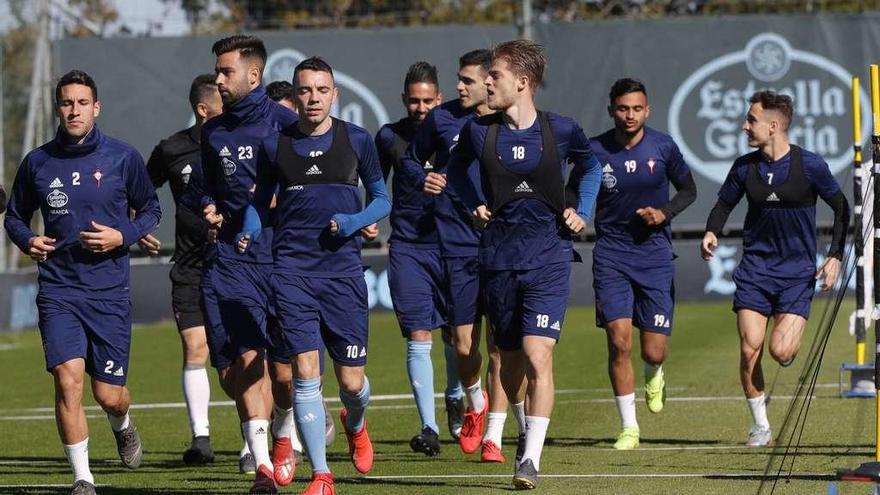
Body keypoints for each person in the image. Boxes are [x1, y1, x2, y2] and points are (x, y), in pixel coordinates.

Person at [443, 40, 601, 489]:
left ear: (522, 82)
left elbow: (589, 170)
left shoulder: (562, 130)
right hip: (498, 260)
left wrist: (582, 209)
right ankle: (520, 427)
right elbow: (455, 173)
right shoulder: (479, 132)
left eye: (494, 75)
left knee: (538, 354)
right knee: (508, 369)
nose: (486, 81)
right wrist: (473, 201)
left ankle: (530, 459)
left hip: (549, 256)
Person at [4, 69, 161, 495]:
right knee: (67, 378)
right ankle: (83, 477)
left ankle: (122, 422)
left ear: (97, 107)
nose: (74, 110)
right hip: (59, 290)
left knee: (109, 394)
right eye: (66, 103)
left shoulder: (122, 157)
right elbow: (16, 216)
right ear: (58, 108)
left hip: (109, 292)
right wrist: (27, 240)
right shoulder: (38, 162)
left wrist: (123, 235)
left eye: (82, 102)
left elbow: (150, 211)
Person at [240, 56, 391, 495]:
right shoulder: (276, 144)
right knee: (306, 372)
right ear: (295, 93)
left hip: (342, 273)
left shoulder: (357, 140)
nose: (313, 98)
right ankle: (322, 476)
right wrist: (249, 229)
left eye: (321, 90)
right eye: (305, 90)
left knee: (351, 382)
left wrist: (353, 220)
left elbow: (382, 199)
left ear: (334, 94)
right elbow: (260, 200)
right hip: (291, 271)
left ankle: (356, 423)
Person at [701, 90, 849, 447]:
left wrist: (834, 256)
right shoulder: (744, 167)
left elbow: (842, 208)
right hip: (755, 270)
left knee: (780, 351)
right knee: (750, 348)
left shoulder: (809, 165)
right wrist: (711, 231)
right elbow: (723, 205)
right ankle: (760, 426)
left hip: (797, 274)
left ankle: (786, 348)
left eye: (751, 119)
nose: (744, 125)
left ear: (773, 125)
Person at [402, 49, 517, 464]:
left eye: (467, 80)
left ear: (490, 81)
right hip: (456, 246)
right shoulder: (442, 119)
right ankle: (476, 399)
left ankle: (494, 436)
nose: (459, 88)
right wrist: (426, 177)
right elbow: (411, 161)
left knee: (501, 347)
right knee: (464, 345)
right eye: (460, 79)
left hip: (503, 245)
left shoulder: (511, 120)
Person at [198, 35, 299, 493]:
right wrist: (208, 206)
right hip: (234, 261)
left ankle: (284, 428)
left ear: (253, 75)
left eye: (225, 71)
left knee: (284, 373)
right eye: (217, 72)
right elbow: (207, 186)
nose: (218, 79)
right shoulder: (213, 131)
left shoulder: (286, 125)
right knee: (245, 359)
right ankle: (261, 468)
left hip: (283, 258)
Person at [589, 78, 697, 450]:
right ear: (611, 110)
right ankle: (629, 427)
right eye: (623, 108)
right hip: (611, 255)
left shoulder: (663, 146)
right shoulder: (594, 151)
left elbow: (689, 190)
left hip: (653, 257)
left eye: (637, 108)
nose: (630, 115)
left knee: (653, 349)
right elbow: (573, 191)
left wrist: (663, 214)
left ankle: (655, 373)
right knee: (618, 341)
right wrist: (571, 210)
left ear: (647, 110)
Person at [375, 61, 465, 456]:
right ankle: (428, 427)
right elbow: (375, 184)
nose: (421, 107)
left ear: (440, 99)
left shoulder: (457, 132)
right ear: (404, 100)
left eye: (428, 100)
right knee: (418, 334)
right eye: (414, 100)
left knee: (456, 334)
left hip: (453, 244)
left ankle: (456, 391)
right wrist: (368, 219)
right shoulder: (389, 137)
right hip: (409, 246)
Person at [143, 73, 227, 465]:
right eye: (224, 101)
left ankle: (258, 439)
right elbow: (140, 191)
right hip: (191, 267)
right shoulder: (172, 149)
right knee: (195, 347)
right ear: (203, 109)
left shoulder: (242, 142)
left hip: (236, 264)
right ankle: (201, 439)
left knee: (239, 359)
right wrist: (140, 227)